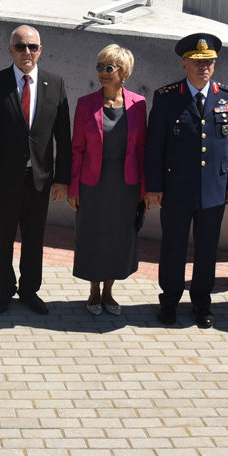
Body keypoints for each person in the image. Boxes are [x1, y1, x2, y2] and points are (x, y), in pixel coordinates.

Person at [143, 34, 228, 328]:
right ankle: (169, 301)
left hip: (215, 188)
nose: (204, 67)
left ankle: (201, 302)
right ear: (184, 64)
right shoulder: (167, 97)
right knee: (173, 247)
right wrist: (154, 186)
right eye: (197, 62)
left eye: (209, 61)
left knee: (207, 249)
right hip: (176, 187)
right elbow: (154, 146)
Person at [0, 25, 71, 316]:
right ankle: (4, 290)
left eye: (32, 47)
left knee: (34, 239)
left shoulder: (56, 84)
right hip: (2, 179)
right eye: (20, 46)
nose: (26, 52)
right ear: (10, 50)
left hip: (40, 178)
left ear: (40, 50)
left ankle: (29, 290)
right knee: (2, 238)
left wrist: (62, 179)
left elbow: (63, 137)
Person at [70, 44, 145, 315]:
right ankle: (93, 291)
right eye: (100, 67)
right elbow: (77, 147)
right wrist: (73, 187)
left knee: (119, 237)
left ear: (123, 72)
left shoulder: (138, 104)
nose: (103, 72)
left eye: (109, 67)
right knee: (92, 235)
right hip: (93, 184)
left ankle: (108, 292)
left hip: (125, 185)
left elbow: (142, 149)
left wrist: (144, 189)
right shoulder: (85, 103)